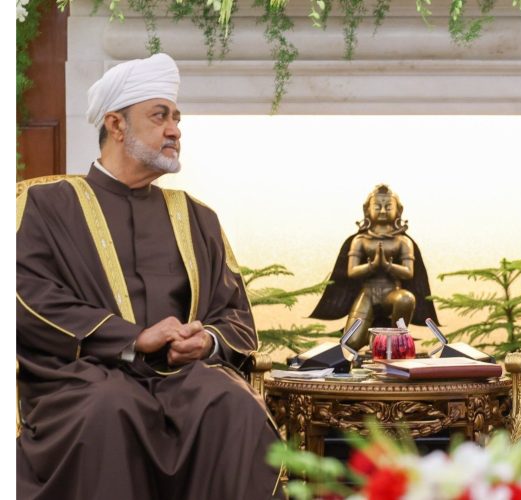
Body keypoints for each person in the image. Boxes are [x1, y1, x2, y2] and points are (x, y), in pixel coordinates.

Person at [16, 53, 281, 499]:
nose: (175, 129)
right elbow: (26, 295)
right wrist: (131, 339)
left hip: (186, 379)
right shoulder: (44, 204)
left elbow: (234, 315)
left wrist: (208, 341)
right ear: (116, 124)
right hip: (85, 378)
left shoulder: (198, 217)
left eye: (177, 118)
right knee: (111, 407)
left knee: (233, 404)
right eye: (160, 116)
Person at [310, 184, 438, 351]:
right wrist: (372, 266)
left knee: (406, 299)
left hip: (392, 292)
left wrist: (387, 266)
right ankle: (371, 338)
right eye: (377, 206)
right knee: (351, 343)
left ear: (398, 210)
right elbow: (352, 271)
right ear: (367, 210)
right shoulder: (360, 240)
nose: (383, 211)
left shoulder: (403, 241)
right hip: (368, 293)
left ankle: (395, 341)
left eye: (388, 206)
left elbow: (408, 272)